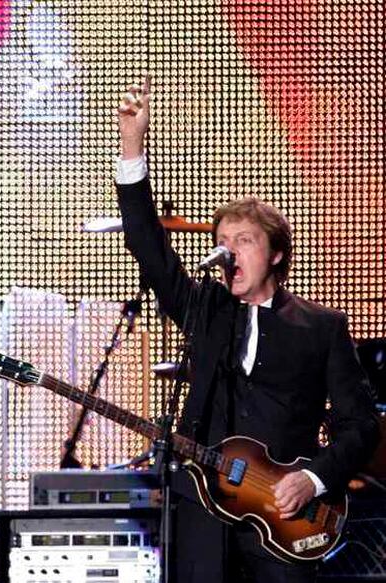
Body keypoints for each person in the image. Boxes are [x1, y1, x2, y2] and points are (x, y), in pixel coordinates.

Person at [115, 78, 380, 583]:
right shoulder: (207, 308)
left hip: (285, 521)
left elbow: (361, 426)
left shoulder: (321, 327)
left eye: (245, 240)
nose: (230, 250)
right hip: (203, 513)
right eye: (223, 241)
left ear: (276, 253)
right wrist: (133, 146)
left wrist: (313, 478)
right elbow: (148, 247)